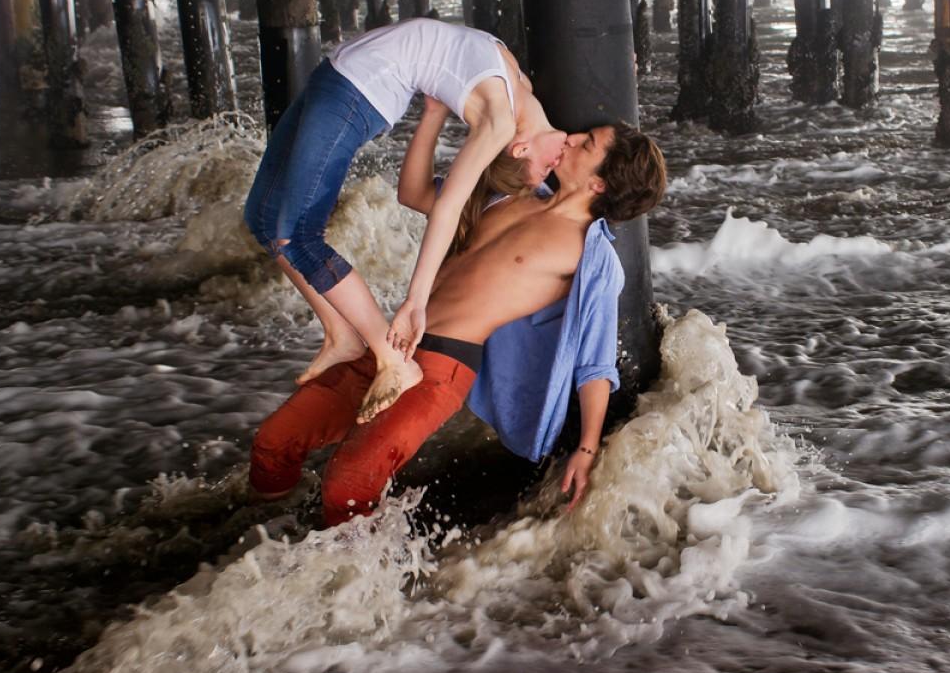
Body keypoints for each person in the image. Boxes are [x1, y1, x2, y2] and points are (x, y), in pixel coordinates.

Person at [248, 119, 667, 524]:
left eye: (587, 143)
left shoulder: (591, 257)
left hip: (439, 368)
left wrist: (587, 450)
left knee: (348, 482)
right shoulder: (512, 193)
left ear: (599, 183)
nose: (571, 138)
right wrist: (433, 113)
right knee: (274, 442)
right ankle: (262, 535)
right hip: (386, 344)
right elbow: (414, 193)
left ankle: (341, 582)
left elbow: (595, 364)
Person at [242, 20, 568, 422]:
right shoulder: (520, 87)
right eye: (549, 169)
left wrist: (416, 300)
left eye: (544, 170)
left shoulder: (500, 121)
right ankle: (340, 332)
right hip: (340, 74)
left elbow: (448, 207)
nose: (556, 167)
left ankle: (391, 357)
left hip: (358, 90)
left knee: (300, 235)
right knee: (262, 216)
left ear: (518, 147)